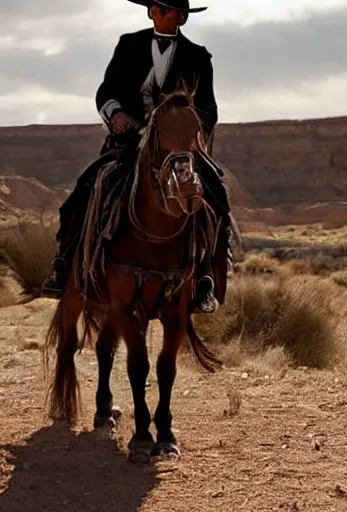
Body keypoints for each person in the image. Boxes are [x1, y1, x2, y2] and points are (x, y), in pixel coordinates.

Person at [41, 0, 231, 313]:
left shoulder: (198, 57)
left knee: (216, 195)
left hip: (177, 150)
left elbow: (209, 109)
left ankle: (205, 278)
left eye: (164, 9)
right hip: (128, 145)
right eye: (154, 7)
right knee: (81, 192)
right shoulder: (129, 45)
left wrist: (183, 130)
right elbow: (106, 91)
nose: (155, 12)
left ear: (182, 17)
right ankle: (63, 267)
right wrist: (115, 114)